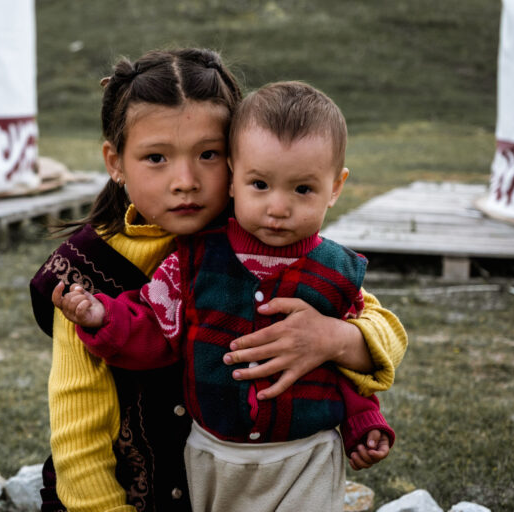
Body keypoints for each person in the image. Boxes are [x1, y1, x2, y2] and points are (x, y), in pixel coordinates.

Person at [30, 48, 406, 512]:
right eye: (156, 158)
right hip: (131, 495)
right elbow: (77, 432)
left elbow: (381, 325)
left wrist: (336, 339)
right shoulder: (85, 273)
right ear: (115, 162)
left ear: (234, 162)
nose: (185, 180)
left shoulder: (263, 240)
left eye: (208, 154)